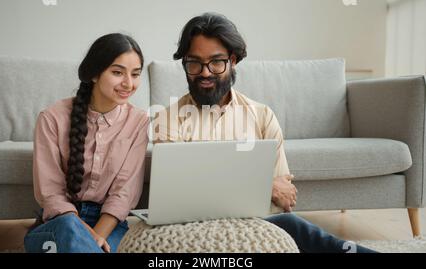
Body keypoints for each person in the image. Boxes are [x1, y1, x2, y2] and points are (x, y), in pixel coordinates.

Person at [153, 13, 376, 253]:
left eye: (216, 62)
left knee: (307, 233)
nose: (205, 72)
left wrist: (228, 185)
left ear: (233, 60)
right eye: (194, 63)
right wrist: (265, 186)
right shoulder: (168, 119)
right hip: (193, 230)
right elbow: (178, 192)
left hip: (259, 225)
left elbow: (284, 196)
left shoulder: (262, 115)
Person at [24, 33, 150, 253]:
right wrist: (86, 238)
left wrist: (95, 238)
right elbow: (51, 192)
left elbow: (124, 192)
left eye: (135, 74)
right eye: (118, 72)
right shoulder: (52, 118)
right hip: (62, 222)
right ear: (94, 74)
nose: (129, 83)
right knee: (70, 232)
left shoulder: (139, 122)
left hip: (110, 224)